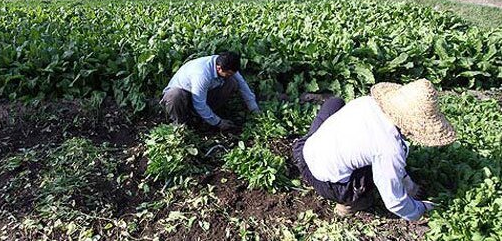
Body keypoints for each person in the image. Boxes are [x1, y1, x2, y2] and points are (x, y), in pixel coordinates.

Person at [292, 79, 457, 221]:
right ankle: (348, 204)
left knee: (335, 103)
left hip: (304, 149)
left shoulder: (367, 102)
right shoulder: (390, 148)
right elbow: (395, 202)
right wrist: (420, 209)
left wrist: (407, 181)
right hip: (324, 182)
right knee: (374, 183)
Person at [160, 52, 260, 130]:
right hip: (184, 95)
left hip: (202, 93)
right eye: (229, 73)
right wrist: (219, 123)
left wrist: (255, 110)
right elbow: (199, 103)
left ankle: (202, 118)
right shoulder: (202, 74)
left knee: (232, 82)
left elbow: (243, 87)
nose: (231, 74)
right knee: (175, 95)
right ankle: (180, 125)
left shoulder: (226, 64)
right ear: (219, 68)